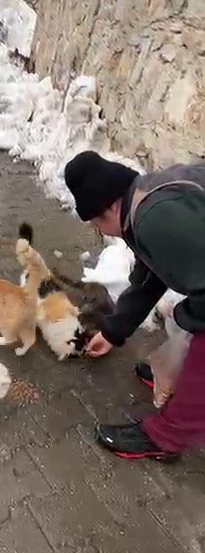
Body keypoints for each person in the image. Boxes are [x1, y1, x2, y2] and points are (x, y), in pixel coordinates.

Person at [64, 151, 205, 463]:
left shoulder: (156, 220)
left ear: (110, 209)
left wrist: (185, 318)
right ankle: (175, 381)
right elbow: (150, 277)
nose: (101, 232)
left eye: (97, 224)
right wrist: (112, 332)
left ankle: (168, 436)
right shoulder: (143, 200)